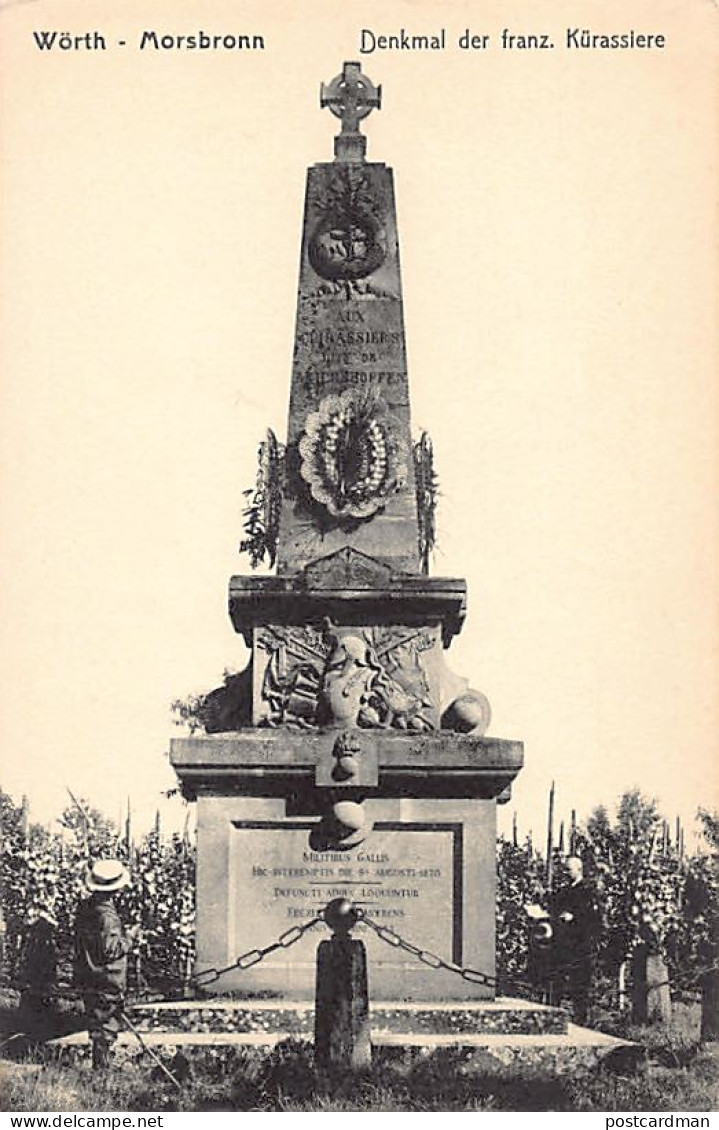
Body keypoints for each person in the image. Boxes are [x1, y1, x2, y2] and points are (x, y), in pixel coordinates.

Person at [74, 858, 137, 1069]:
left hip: (89, 974)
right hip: (107, 977)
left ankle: (100, 1066)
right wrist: (129, 938)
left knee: (98, 1020)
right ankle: (101, 1071)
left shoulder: (86, 908)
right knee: (106, 1024)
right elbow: (110, 950)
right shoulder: (107, 916)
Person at [551, 855, 601, 1025]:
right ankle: (556, 1017)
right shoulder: (564, 891)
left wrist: (574, 917)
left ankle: (581, 1020)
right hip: (564, 944)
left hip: (581, 946)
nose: (565, 873)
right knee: (559, 981)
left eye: (569, 869)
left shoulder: (588, 891)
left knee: (580, 984)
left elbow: (593, 919)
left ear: (579, 870)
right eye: (565, 869)